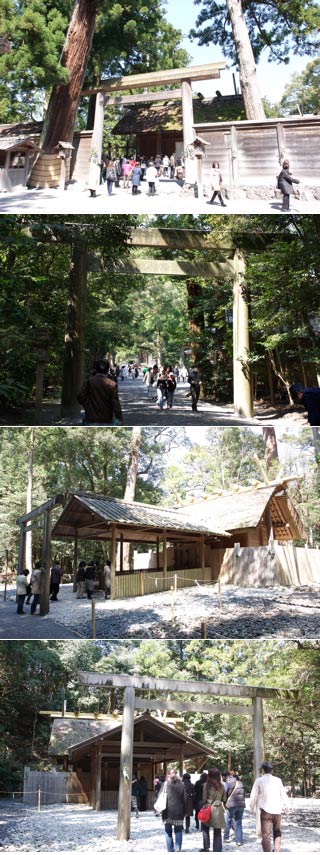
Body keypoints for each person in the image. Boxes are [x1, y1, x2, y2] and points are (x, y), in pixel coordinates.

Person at [250, 761, 289, 853]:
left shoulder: (259, 780)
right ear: (272, 770)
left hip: (266, 811)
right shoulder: (278, 780)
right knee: (277, 831)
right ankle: (277, 849)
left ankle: (267, 852)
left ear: (263, 770)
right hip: (277, 811)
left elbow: (253, 796)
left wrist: (252, 808)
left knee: (266, 835)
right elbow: (283, 794)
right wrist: (287, 806)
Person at [77, 359, 124, 425]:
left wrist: (88, 405)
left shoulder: (89, 381)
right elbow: (115, 403)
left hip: (90, 418)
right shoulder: (112, 384)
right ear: (108, 370)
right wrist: (120, 418)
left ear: (96, 369)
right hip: (107, 419)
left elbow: (80, 396)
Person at [160, 768, 187, 853]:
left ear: (168, 774)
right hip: (179, 812)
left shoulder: (165, 784)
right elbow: (185, 799)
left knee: (168, 831)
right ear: (177, 774)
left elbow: (159, 796)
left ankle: (170, 850)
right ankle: (178, 848)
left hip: (167, 811)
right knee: (178, 830)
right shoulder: (182, 785)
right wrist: (185, 811)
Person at [201, 767, 226, 852]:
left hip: (208, 807)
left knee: (205, 828)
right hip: (218, 809)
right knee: (217, 831)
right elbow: (224, 798)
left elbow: (204, 798)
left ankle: (206, 847)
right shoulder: (222, 786)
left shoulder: (206, 785)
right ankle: (217, 849)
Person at [224, 770, 245, 847]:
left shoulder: (228, 783)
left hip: (231, 804)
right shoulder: (240, 783)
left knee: (228, 820)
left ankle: (226, 837)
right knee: (239, 822)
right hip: (241, 805)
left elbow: (225, 794)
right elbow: (243, 794)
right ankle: (239, 840)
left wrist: (225, 803)